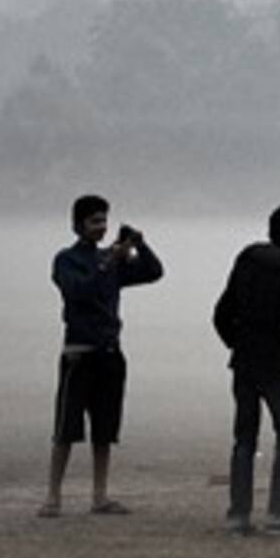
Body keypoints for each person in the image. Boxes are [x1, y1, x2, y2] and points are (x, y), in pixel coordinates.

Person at [41, 193, 164, 518]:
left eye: (104, 221)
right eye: (95, 221)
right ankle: (53, 496)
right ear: (78, 224)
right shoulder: (66, 260)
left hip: (109, 352)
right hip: (78, 354)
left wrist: (139, 244)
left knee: (104, 431)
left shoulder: (111, 260)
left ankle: (100, 495)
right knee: (65, 429)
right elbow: (78, 290)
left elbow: (154, 272)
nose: (101, 227)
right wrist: (110, 259)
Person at [213, 203, 280, 535]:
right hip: (276, 363)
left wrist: (237, 343)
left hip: (245, 358)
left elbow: (221, 312)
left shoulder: (247, 258)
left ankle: (239, 513)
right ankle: (277, 511)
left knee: (244, 438)